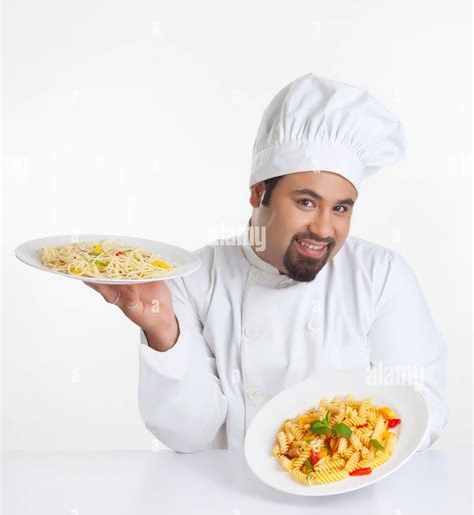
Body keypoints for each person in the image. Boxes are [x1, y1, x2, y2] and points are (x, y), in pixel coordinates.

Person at [85, 73, 448, 453]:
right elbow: (188, 436)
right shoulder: (193, 278)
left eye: (340, 208)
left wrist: (343, 447)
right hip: (229, 499)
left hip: (348, 499)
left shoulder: (381, 276)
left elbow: (422, 408)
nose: (324, 228)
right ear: (259, 192)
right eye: (305, 202)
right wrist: (162, 331)